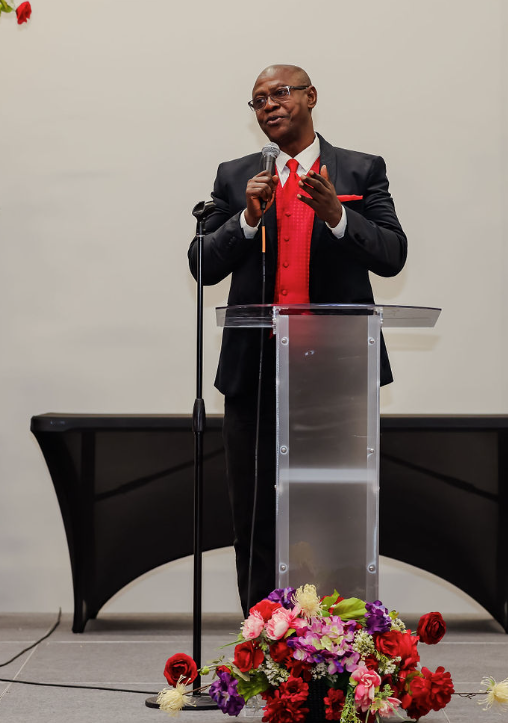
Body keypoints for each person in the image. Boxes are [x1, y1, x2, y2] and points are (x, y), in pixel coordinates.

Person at [187, 64, 407, 615]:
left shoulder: (360, 170)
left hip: (338, 373)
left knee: (336, 510)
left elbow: (393, 253)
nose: (268, 105)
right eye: (257, 99)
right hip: (254, 369)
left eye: (279, 93)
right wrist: (244, 220)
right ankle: (260, 642)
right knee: (256, 512)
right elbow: (202, 263)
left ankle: (338, 643)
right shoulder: (236, 177)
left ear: (311, 96)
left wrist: (337, 216)